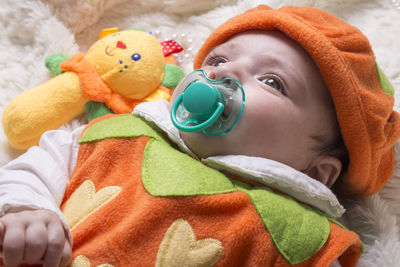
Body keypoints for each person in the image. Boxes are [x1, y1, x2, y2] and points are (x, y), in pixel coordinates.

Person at [0, 4, 399, 267]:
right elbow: (38, 164)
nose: (223, 73)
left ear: (317, 173)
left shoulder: (300, 237)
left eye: (272, 81)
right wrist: (27, 210)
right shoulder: (117, 133)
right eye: (217, 60)